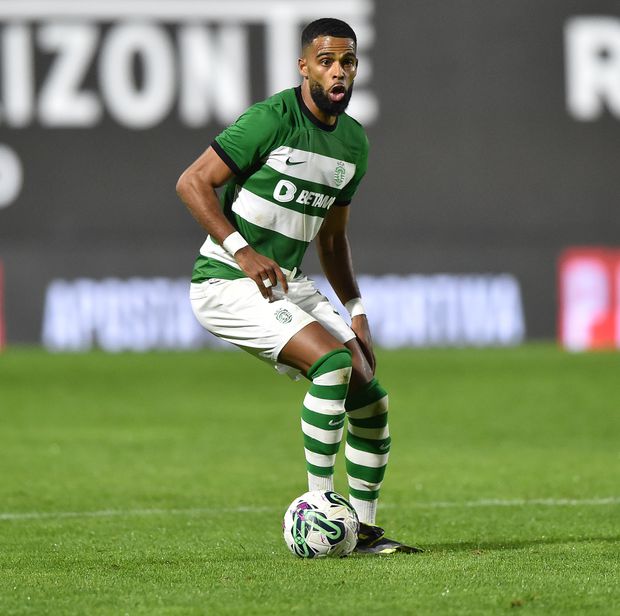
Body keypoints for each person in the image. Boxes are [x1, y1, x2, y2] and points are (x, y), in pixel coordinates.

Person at [176, 17, 421, 555]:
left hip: (286, 281)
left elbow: (332, 240)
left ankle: (362, 530)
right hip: (225, 280)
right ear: (304, 66)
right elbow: (191, 182)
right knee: (331, 365)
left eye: (348, 62)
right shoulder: (270, 119)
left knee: (370, 397)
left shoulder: (353, 143)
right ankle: (319, 509)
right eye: (326, 61)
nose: (338, 72)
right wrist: (243, 251)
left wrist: (356, 309)